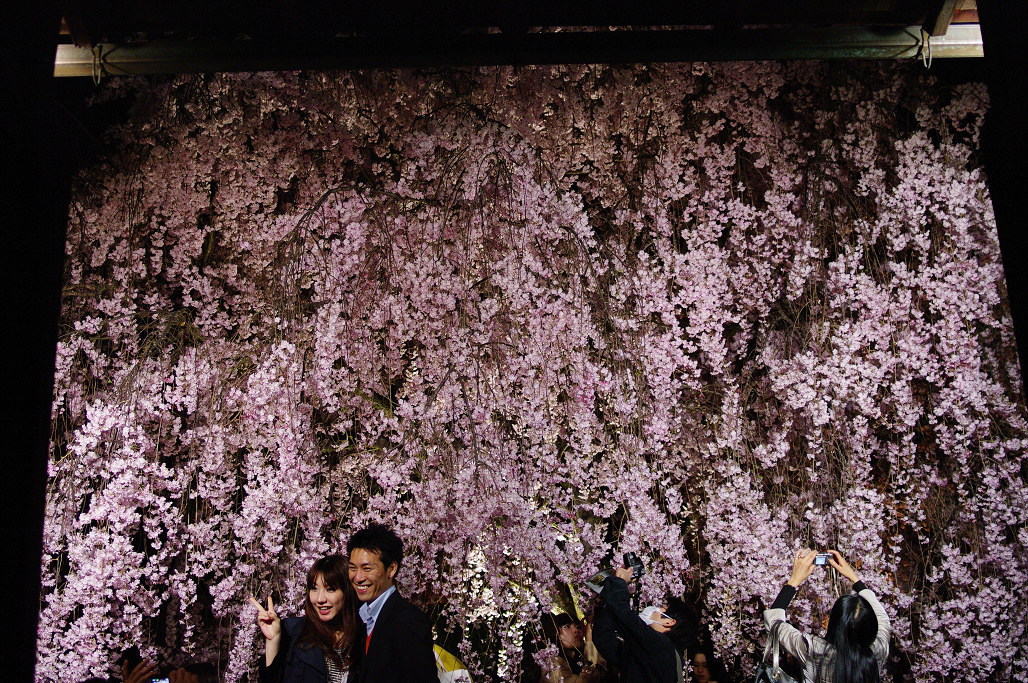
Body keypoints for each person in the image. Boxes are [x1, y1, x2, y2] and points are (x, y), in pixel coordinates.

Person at [763, 549, 890, 683]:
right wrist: (855, 579)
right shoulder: (878, 648)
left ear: (835, 624)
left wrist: (794, 580)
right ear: (872, 626)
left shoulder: (816, 651)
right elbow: (882, 616)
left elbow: (774, 625)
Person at [346, 524, 437, 683]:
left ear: (391, 569)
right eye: (353, 568)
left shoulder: (408, 621)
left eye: (367, 568)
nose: (358, 577)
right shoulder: (362, 616)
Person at [251, 554, 361, 683]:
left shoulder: (365, 636)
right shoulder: (293, 632)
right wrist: (273, 641)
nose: (320, 599)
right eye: (314, 589)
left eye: (330, 589)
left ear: (347, 592)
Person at [592, 563, 698, 682]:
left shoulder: (660, 646)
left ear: (669, 622)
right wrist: (605, 601)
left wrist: (619, 582)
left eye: (662, 606)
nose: (654, 607)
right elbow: (604, 640)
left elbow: (624, 617)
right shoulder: (651, 651)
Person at [539, 612, 610, 683]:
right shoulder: (551, 663)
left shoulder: (580, 658)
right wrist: (590, 641)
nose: (576, 630)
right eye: (567, 626)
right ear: (555, 633)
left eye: (578, 627)